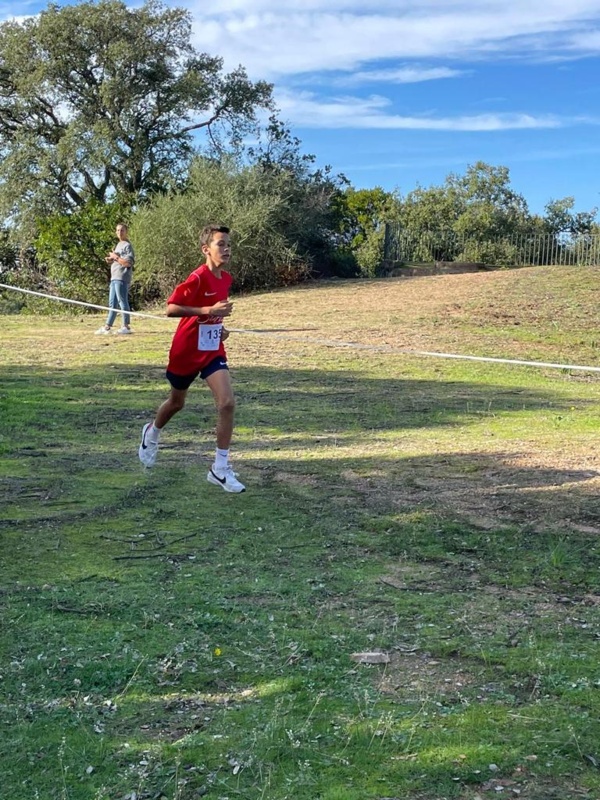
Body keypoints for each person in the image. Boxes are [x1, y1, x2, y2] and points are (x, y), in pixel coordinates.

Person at [138, 224, 245, 493]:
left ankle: (219, 468)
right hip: (186, 351)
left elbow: (213, 315)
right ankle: (152, 432)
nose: (227, 248)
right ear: (205, 249)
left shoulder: (226, 279)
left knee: (227, 402)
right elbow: (171, 308)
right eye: (221, 244)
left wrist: (219, 327)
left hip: (211, 350)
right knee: (176, 403)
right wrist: (207, 309)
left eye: (229, 244)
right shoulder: (197, 277)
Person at [95, 222, 135, 335]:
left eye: (122, 230)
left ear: (126, 232)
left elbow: (128, 263)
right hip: (114, 277)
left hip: (122, 277)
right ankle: (107, 327)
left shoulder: (127, 246)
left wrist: (115, 257)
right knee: (112, 303)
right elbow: (117, 259)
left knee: (123, 301)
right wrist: (111, 259)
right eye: (117, 230)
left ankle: (126, 326)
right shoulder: (118, 244)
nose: (119, 232)